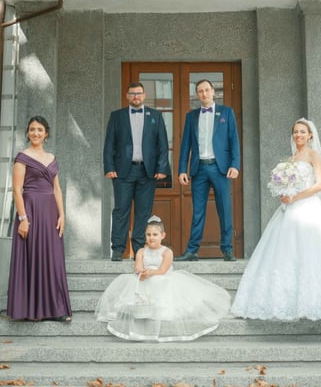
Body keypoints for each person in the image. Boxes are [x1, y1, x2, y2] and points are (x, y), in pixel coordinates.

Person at [231, 118, 321, 321]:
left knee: (310, 253)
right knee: (284, 253)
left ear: (310, 135)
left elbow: (320, 184)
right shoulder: (291, 159)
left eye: (302, 132)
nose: (298, 135)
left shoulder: (313, 155)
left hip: (308, 208)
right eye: (295, 132)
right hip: (289, 209)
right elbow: (289, 184)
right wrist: (284, 192)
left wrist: (296, 196)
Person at [95, 216, 231, 342]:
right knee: (132, 280)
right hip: (145, 276)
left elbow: (162, 270)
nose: (151, 238)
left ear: (162, 235)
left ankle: (159, 308)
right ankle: (140, 306)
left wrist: (150, 273)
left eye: (155, 234)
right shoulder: (141, 251)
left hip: (161, 277)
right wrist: (141, 272)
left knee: (157, 280)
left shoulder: (167, 252)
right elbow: (137, 267)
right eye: (148, 235)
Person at [7, 116, 72, 322]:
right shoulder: (22, 158)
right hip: (31, 211)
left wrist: (62, 215)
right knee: (33, 258)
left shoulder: (52, 158)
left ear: (46, 134)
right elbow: (17, 190)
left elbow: (57, 189)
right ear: (28, 133)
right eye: (32, 129)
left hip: (50, 212)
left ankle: (57, 309)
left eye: (40, 130)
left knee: (52, 260)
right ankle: (32, 310)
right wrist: (23, 218)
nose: (36, 133)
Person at [103, 82, 170, 261]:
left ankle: (139, 249)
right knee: (121, 210)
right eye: (132, 93)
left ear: (144, 95)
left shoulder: (155, 116)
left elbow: (163, 144)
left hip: (147, 171)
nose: (136, 96)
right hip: (122, 171)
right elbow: (109, 143)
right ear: (127, 96)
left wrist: (162, 167)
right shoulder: (117, 116)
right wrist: (109, 167)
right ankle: (118, 249)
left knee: (143, 212)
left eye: (139, 93)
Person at [176, 79, 240, 261]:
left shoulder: (226, 112)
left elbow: (234, 140)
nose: (204, 94)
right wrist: (182, 170)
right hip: (199, 169)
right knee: (198, 211)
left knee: (224, 209)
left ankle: (227, 249)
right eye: (200, 91)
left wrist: (235, 165)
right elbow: (185, 145)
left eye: (206, 90)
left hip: (221, 169)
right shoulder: (191, 116)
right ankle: (192, 250)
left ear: (213, 92)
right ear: (197, 95)